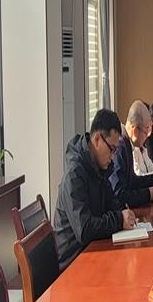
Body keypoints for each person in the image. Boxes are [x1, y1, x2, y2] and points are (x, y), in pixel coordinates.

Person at [54, 109, 137, 271]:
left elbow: (111, 201)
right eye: (112, 149)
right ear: (97, 139)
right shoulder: (74, 175)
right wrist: (119, 219)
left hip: (95, 251)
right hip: (75, 264)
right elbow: (85, 230)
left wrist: (122, 212)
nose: (113, 156)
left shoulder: (98, 166)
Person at [109, 100, 153, 207]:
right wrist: (148, 194)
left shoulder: (127, 142)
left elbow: (132, 181)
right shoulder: (120, 146)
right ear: (135, 131)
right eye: (146, 131)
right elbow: (119, 196)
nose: (148, 136)